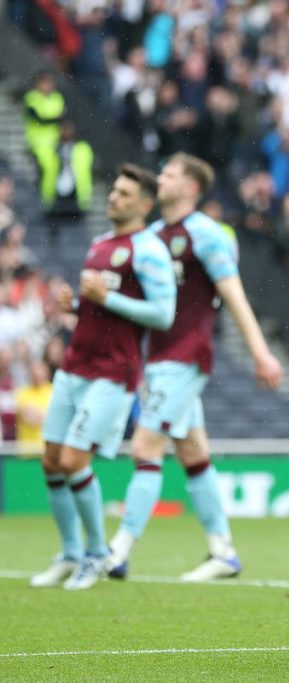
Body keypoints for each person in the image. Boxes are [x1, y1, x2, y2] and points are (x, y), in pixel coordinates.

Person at [104, 153, 283, 582]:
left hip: (186, 355)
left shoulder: (206, 234)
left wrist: (260, 352)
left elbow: (233, 295)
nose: (159, 178)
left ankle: (115, 553)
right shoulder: (149, 235)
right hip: (158, 356)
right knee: (192, 454)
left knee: (146, 447)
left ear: (190, 188)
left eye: (167, 174)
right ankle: (223, 552)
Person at [29, 164, 176, 590]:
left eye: (126, 194)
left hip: (114, 371)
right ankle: (71, 552)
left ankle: (97, 554)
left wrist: (104, 296)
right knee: (51, 461)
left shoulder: (148, 249)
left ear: (145, 205)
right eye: (114, 191)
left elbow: (163, 315)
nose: (114, 198)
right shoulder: (99, 243)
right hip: (76, 364)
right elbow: (99, 307)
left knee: (75, 460)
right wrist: (72, 304)